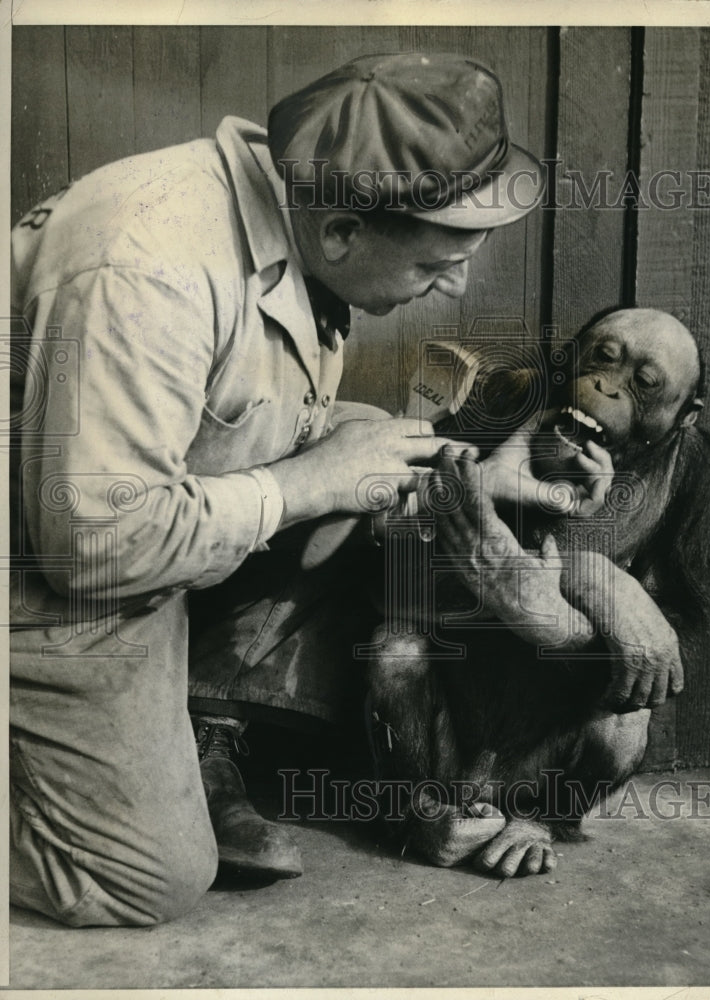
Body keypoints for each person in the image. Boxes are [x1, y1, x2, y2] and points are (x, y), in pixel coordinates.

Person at [9, 52, 545, 927]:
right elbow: (92, 548)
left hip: (121, 524)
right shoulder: (149, 267)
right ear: (341, 233)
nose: (457, 284)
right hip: (45, 573)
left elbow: (248, 418)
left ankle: (195, 730)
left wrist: (451, 471)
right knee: (148, 876)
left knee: (358, 491)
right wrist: (307, 483)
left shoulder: (293, 210)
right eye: (435, 264)